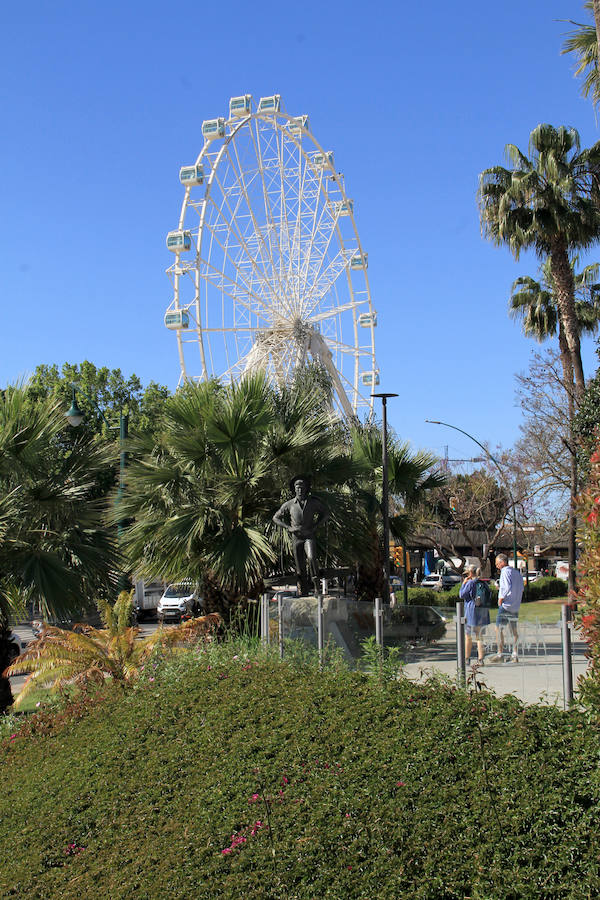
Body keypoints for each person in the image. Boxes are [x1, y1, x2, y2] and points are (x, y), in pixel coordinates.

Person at [272, 475, 329, 596]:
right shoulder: (289, 504)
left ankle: (317, 588)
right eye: (297, 487)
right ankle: (303, 591)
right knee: (300, 567)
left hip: (309, 535)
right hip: (296, 537)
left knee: (311, 558)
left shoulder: (313, 502)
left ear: (306, 488)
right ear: (294, 489)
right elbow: (275, 518)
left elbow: (325, 514)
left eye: (302, 487)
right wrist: (288, 527)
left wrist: (316, 525)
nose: (300, 489)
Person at [489, 553, 524, 663]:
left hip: (506, 605)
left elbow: (505, 586)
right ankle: (515, 653)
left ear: (502, 562)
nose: (497, 566)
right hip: (515, 605)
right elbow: (521, 587)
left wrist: (501, 598)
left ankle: (500, 653)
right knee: (514, 630)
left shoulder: (505, 572)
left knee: (498, 629)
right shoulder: (516, 573)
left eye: (497, 563)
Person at [459, 564, 490, 665]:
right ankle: (480, 659)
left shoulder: (470, 583)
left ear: (470, 573)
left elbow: (461, 595)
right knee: (479, 636)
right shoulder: (484, 583)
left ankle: (467, 658)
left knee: (468, 636)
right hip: (483, 610)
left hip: (472, 610)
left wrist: (464, 583)